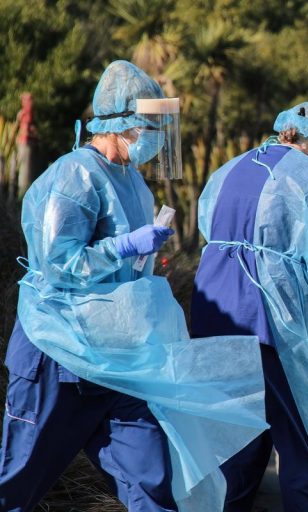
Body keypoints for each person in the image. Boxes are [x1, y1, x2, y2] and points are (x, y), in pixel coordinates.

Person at [0, 60, 177, 511]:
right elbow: (61, 264)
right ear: (120, 122)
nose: (155, 133)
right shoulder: (72, 176)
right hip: (56, 349)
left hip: (114, 356)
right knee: (16, 482)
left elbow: (121, 264)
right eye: (149, 123)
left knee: (150, 477)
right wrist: (123, 247)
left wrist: (141, 256)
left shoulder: (133, 181)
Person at [191, 101, 308, 511]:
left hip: (211, 312)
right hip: (268, 319)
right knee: (303, 441)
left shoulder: (228, 169)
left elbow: (206, 227)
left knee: (239, 440)